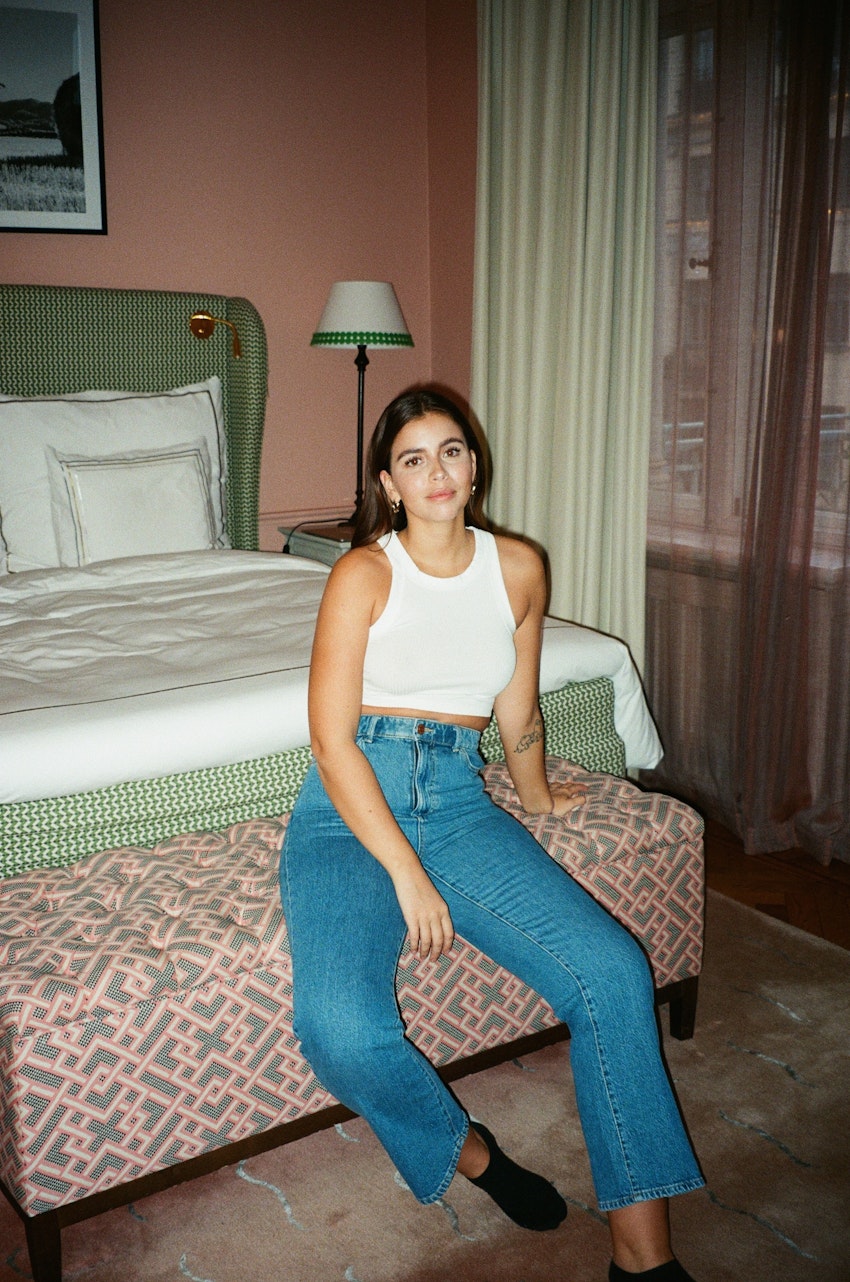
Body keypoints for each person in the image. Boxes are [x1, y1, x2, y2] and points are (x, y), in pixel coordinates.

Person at [279, 388, 703, 1280]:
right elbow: (330, 743)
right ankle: (473, 1153)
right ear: (389, 485)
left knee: (613, 974)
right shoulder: (363, 574)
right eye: (413, 459)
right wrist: (407, 874)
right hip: (349, 812)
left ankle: (643, 1259)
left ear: (474, 464)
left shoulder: (517, 567)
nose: (436, 472)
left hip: (459, 804)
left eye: (452, 451)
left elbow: (518, 712)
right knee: (339, 1032)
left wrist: (539, 799)